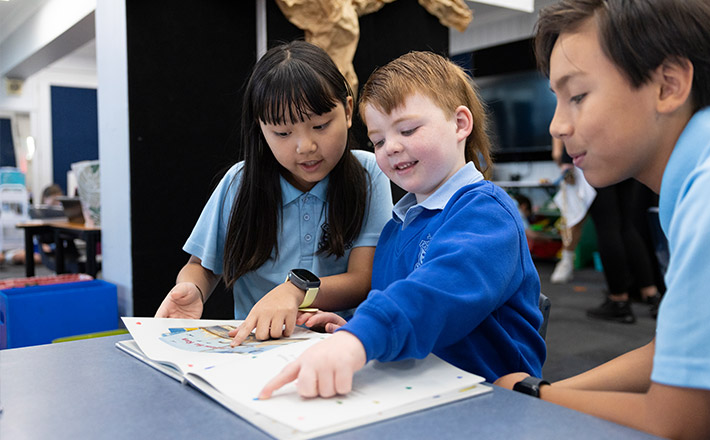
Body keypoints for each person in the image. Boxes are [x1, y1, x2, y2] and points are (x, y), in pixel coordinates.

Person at [495, 1, 710, 438]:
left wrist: (534, 393)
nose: (557, 127)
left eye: (577, 96)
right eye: (557, 101)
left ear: (668, 85)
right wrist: (543, 388)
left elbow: (677, 422)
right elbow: (676, 351)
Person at [258, 51, 547, 400]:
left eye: (408, 130)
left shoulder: (487, 213)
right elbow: (398, 309)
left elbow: (436, 294)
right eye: (378, 141)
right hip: (419, 392)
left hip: (491, 400)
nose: (391, 147)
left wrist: (361, 339)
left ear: (460, 124)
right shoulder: (397, 227)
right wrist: (355, 328)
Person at [154, 41, 394, 344]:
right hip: (255, 344)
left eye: (320, 125)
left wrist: (295, 290)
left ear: (347, 111)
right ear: (261, 130)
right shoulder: (238, 184)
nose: (305, 146)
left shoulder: (369, 172)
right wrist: (192, 289)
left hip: (339, 340)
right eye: (282, 133)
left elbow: (362, 281)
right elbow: (200, 267)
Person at [586, 179, 661, 322]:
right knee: (626, 225)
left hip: (599, 161)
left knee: (607, 225)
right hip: (627, 163)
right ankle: (651, 294)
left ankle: (618, 300)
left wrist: (566, 162)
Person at [549, 137, 594, 284]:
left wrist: (565, 163)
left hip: (578, 166)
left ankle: (566, 263)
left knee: (574, 221)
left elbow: (557, 152)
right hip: (583, 167)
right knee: (574, 219)